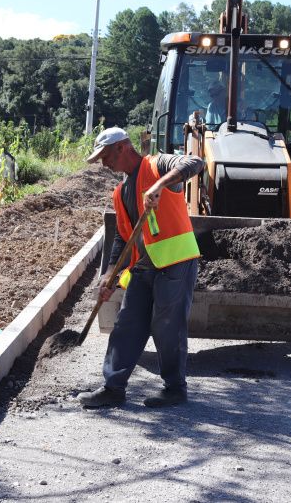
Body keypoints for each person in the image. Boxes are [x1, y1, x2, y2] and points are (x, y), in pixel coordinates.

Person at [77, 127, 205, 409]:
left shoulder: (157, 165)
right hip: (143, 268)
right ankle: (113, 387)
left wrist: (160, 185)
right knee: (127, 325)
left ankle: (175, 388)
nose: (104, 163)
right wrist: (109, 275)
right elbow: (123, 237)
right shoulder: (120, 192)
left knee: (167, 327)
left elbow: (195, 162)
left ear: (123, 147)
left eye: (106, 155)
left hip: (176, 262)